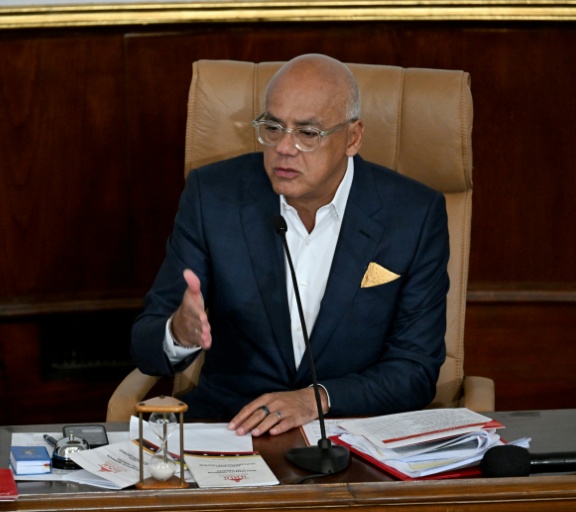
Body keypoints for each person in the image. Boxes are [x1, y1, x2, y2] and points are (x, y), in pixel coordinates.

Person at [130, 53, 449, 437]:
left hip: (350, 435)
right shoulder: (214, 196)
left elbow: (415, 370)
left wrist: (317, 399)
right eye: (273, 127)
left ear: (352, 138)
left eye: (307, 133)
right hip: (231, 429)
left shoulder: (414, 215)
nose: (284, 147)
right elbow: (146, 345)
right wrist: (179, 333)